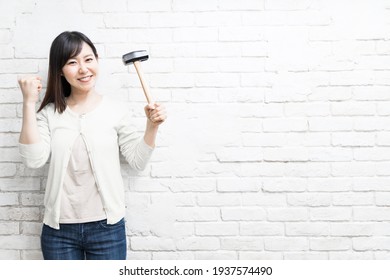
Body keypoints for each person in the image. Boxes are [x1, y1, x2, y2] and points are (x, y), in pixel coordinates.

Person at [17, 31, 166, 260]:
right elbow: (33, 159)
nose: (83, 69)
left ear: (97, 60)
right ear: (59, 70)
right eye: (72, 62)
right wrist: (28, 102)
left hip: (107, 229)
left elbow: (137, 161)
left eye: (88, 59)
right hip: (59, 232)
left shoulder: (115, 110)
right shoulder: (49, 114)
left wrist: (151, 126)